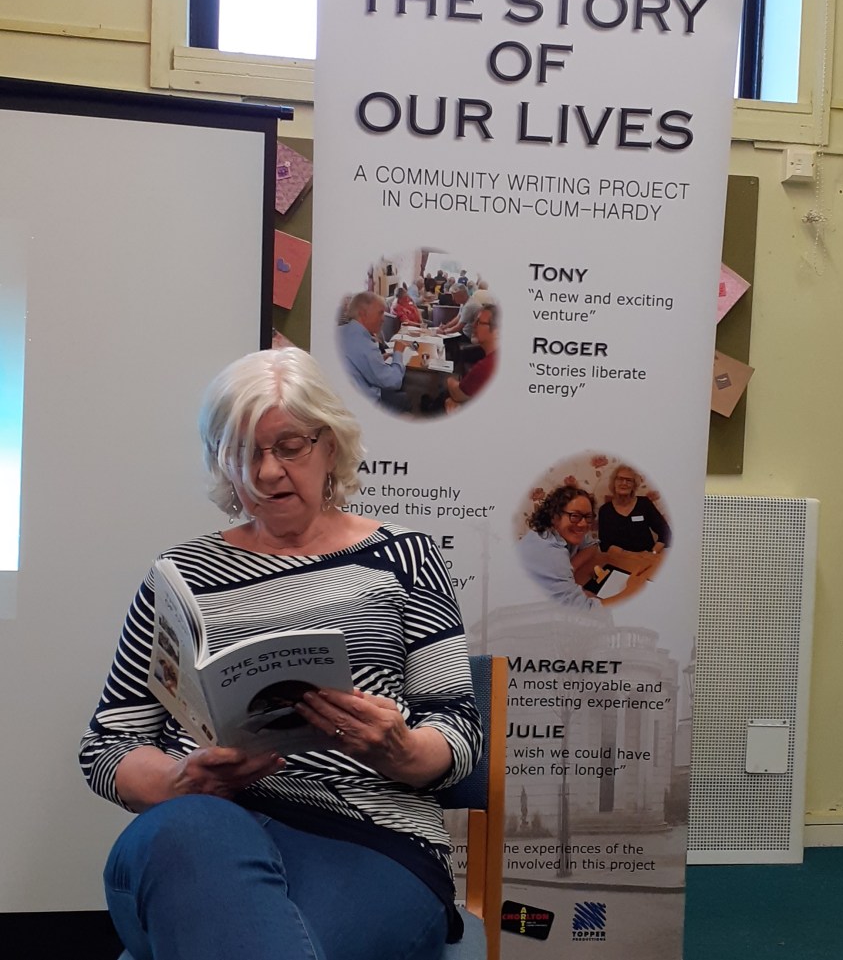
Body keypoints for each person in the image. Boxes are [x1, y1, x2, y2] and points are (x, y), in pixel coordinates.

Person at [79, 347, 483, 960]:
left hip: (370, 837)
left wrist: (400, 749)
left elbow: (458, 730)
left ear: (330, 445)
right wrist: (179, 780)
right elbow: (108, 746)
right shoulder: (179, 577)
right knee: (194, 832)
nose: (267, 473)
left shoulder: (404, 558)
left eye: (290, 446)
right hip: (199, 832)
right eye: (243, 452)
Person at [517, 485, 640, 616]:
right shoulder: (550, 554)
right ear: (554, 516)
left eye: (587, 516)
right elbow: (587, 612)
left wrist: (571, 568)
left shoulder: (562, 530)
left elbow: (592, 544)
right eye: (574, 516)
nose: (583, 524)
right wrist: (630, 590)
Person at [337, 290, 409, 411]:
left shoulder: (341, 331)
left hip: (346, 395)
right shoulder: (364, 344)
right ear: (363, 314)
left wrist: (378, 359)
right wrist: (398, 352)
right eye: (380, 313)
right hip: (363, 404)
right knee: (404, 398)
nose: (383, 319)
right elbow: (394, 381)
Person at [597, 464, 672, 554]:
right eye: (620, 479)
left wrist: (653, 553)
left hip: (646, 558)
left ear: (634, 485)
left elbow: (665, 533)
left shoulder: (644, 504)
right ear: (614, 482)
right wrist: (629, 555)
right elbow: (604, 544)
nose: (624, 483)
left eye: (629, 480)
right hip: (619, 559)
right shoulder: (605, 511)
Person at [444, 304, 498, 413]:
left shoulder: (486, 366)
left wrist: (448, 379)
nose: (473, 325)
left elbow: (457, 394)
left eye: (478, 322)